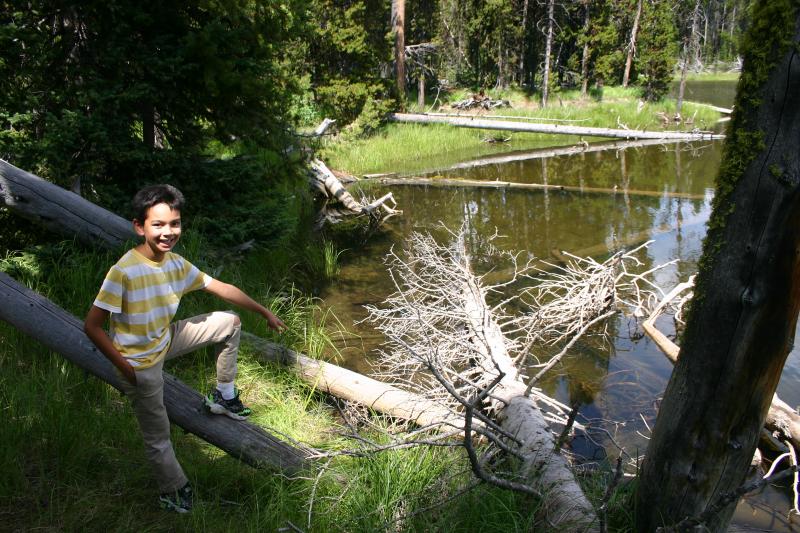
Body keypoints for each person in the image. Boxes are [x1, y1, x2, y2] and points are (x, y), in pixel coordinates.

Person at [84, 184, 286, 513]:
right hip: (139, 364)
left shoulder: (176, 264)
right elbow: (92, 325)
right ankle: (173, 490)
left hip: (165, 339)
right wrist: (126, 369)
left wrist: (262, 311)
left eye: (174, 223)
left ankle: (224, 395)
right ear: (140, 227)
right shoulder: (124, 272)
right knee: (158, 436)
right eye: (158, 225)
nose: (168, 232)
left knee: (229, 322)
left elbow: (221, 288)